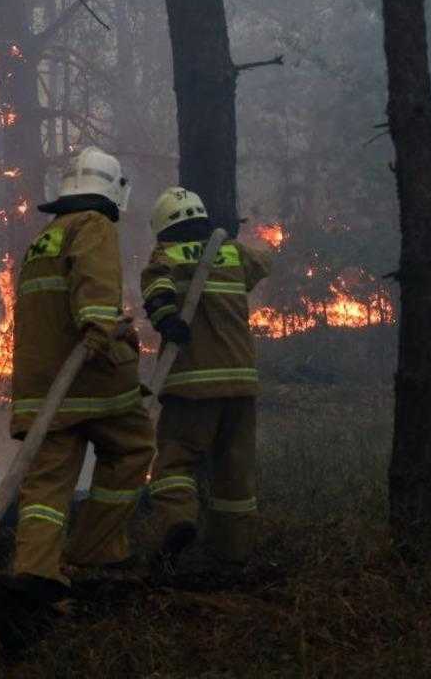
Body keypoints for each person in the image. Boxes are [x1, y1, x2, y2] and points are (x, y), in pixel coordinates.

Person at [9, 146, 154, 600]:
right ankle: (96, 548)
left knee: (48, 480)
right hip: (88, 374)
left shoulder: (46, 237)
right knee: (132, 446)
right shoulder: (93, 224)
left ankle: (35, 570)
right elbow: (94, 289)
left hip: (41, 382)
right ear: (114, 190)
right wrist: (100, 330)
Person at [140, 187, 271, 575]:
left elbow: (156, 291)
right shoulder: (231, 251)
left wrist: (166, 320)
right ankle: (232, 552)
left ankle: (178, 520)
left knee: (175, 459)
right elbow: (263, 263)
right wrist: (229, 236)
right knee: (235, 468)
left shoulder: (166, 254)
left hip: (192, 383)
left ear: (163, 226)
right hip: (241, 382)